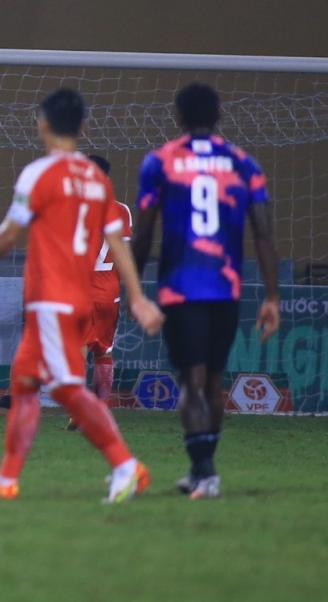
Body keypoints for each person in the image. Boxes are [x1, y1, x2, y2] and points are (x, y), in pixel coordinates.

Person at [0, 88, 163, 502]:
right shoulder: (97, 180)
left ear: (42, 123)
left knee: (66, 387)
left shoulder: (40, 173)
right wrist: (136, 295)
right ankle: (7, 478)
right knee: (25, 384)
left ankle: (126, 465)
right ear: (83, 127)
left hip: (52, 298)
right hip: (78, 296)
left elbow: (11, 233)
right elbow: (117, 242)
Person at [132, 82, 280, 500]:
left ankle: (204, 471)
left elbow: (143, 235)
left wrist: (135, 289)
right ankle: (202, 473)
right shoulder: (243, 162)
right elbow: (264, 236)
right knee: (213, 382)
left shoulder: (160, 161)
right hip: (227, 287)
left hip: (181, 288)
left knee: (191, 383)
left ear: (178, 117)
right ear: (218, 117)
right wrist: (272, 296)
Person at [64, 154, 132, 430]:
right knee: (104, 351)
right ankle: (101, 410)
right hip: (109, 293)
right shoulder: (121, 210)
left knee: (77, 350)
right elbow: (124, 254)